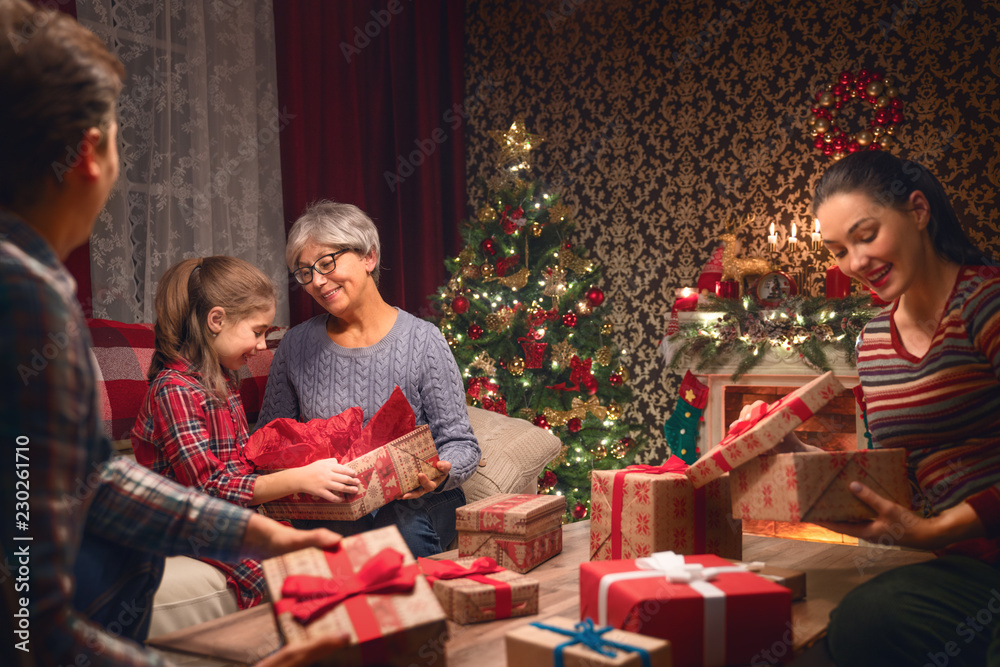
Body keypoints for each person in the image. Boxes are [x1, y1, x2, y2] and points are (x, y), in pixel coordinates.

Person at [0, 1, 345, 664]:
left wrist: (258, 533)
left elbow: (93, 481)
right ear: (91, 154)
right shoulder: (26, 299)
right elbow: (30, 630)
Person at [732, 150, 1000, 667]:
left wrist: (939, 529)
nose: (855, 263)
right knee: (859, 620)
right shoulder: (874, 340)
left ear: (918, 211)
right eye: (837, 250)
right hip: (967, 567)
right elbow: (896, 475)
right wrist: (796, 450)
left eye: (866, 235)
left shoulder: (984, 303)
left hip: (964, 546)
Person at [131, 256, 362, 609]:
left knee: (325, 552)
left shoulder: (224, 380)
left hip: (227, 516)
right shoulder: (173, 389)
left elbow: (240, 465)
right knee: (284, 575)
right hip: (184, 524)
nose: (261, 347)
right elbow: (208, 487)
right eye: (257, 332)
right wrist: (299, 479)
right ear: (216, 320)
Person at [257, 200, 481, 557]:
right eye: (304, 273)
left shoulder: (423, 340)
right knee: (318, 537)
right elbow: (270, 440)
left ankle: (412, 608)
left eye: (326, 263)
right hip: (333, 503)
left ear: (368, 257)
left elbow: (460, 442)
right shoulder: (295, 345)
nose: (316, 281)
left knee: (398, 528)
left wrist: (440, 474)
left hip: (417, 498)